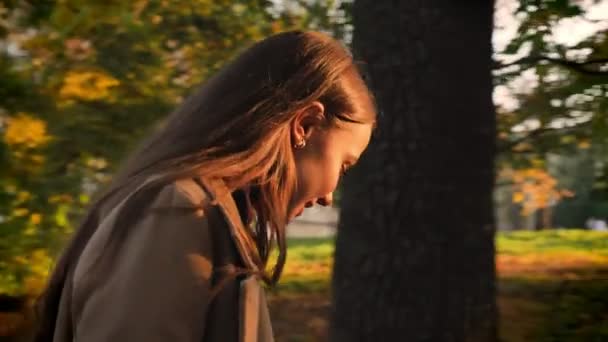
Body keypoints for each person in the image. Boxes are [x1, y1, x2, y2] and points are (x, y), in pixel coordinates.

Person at [33, 30, 377, 342]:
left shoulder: (200, 216)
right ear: (305, 124)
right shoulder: (177, 213)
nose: (329, 198)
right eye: (344, 166)